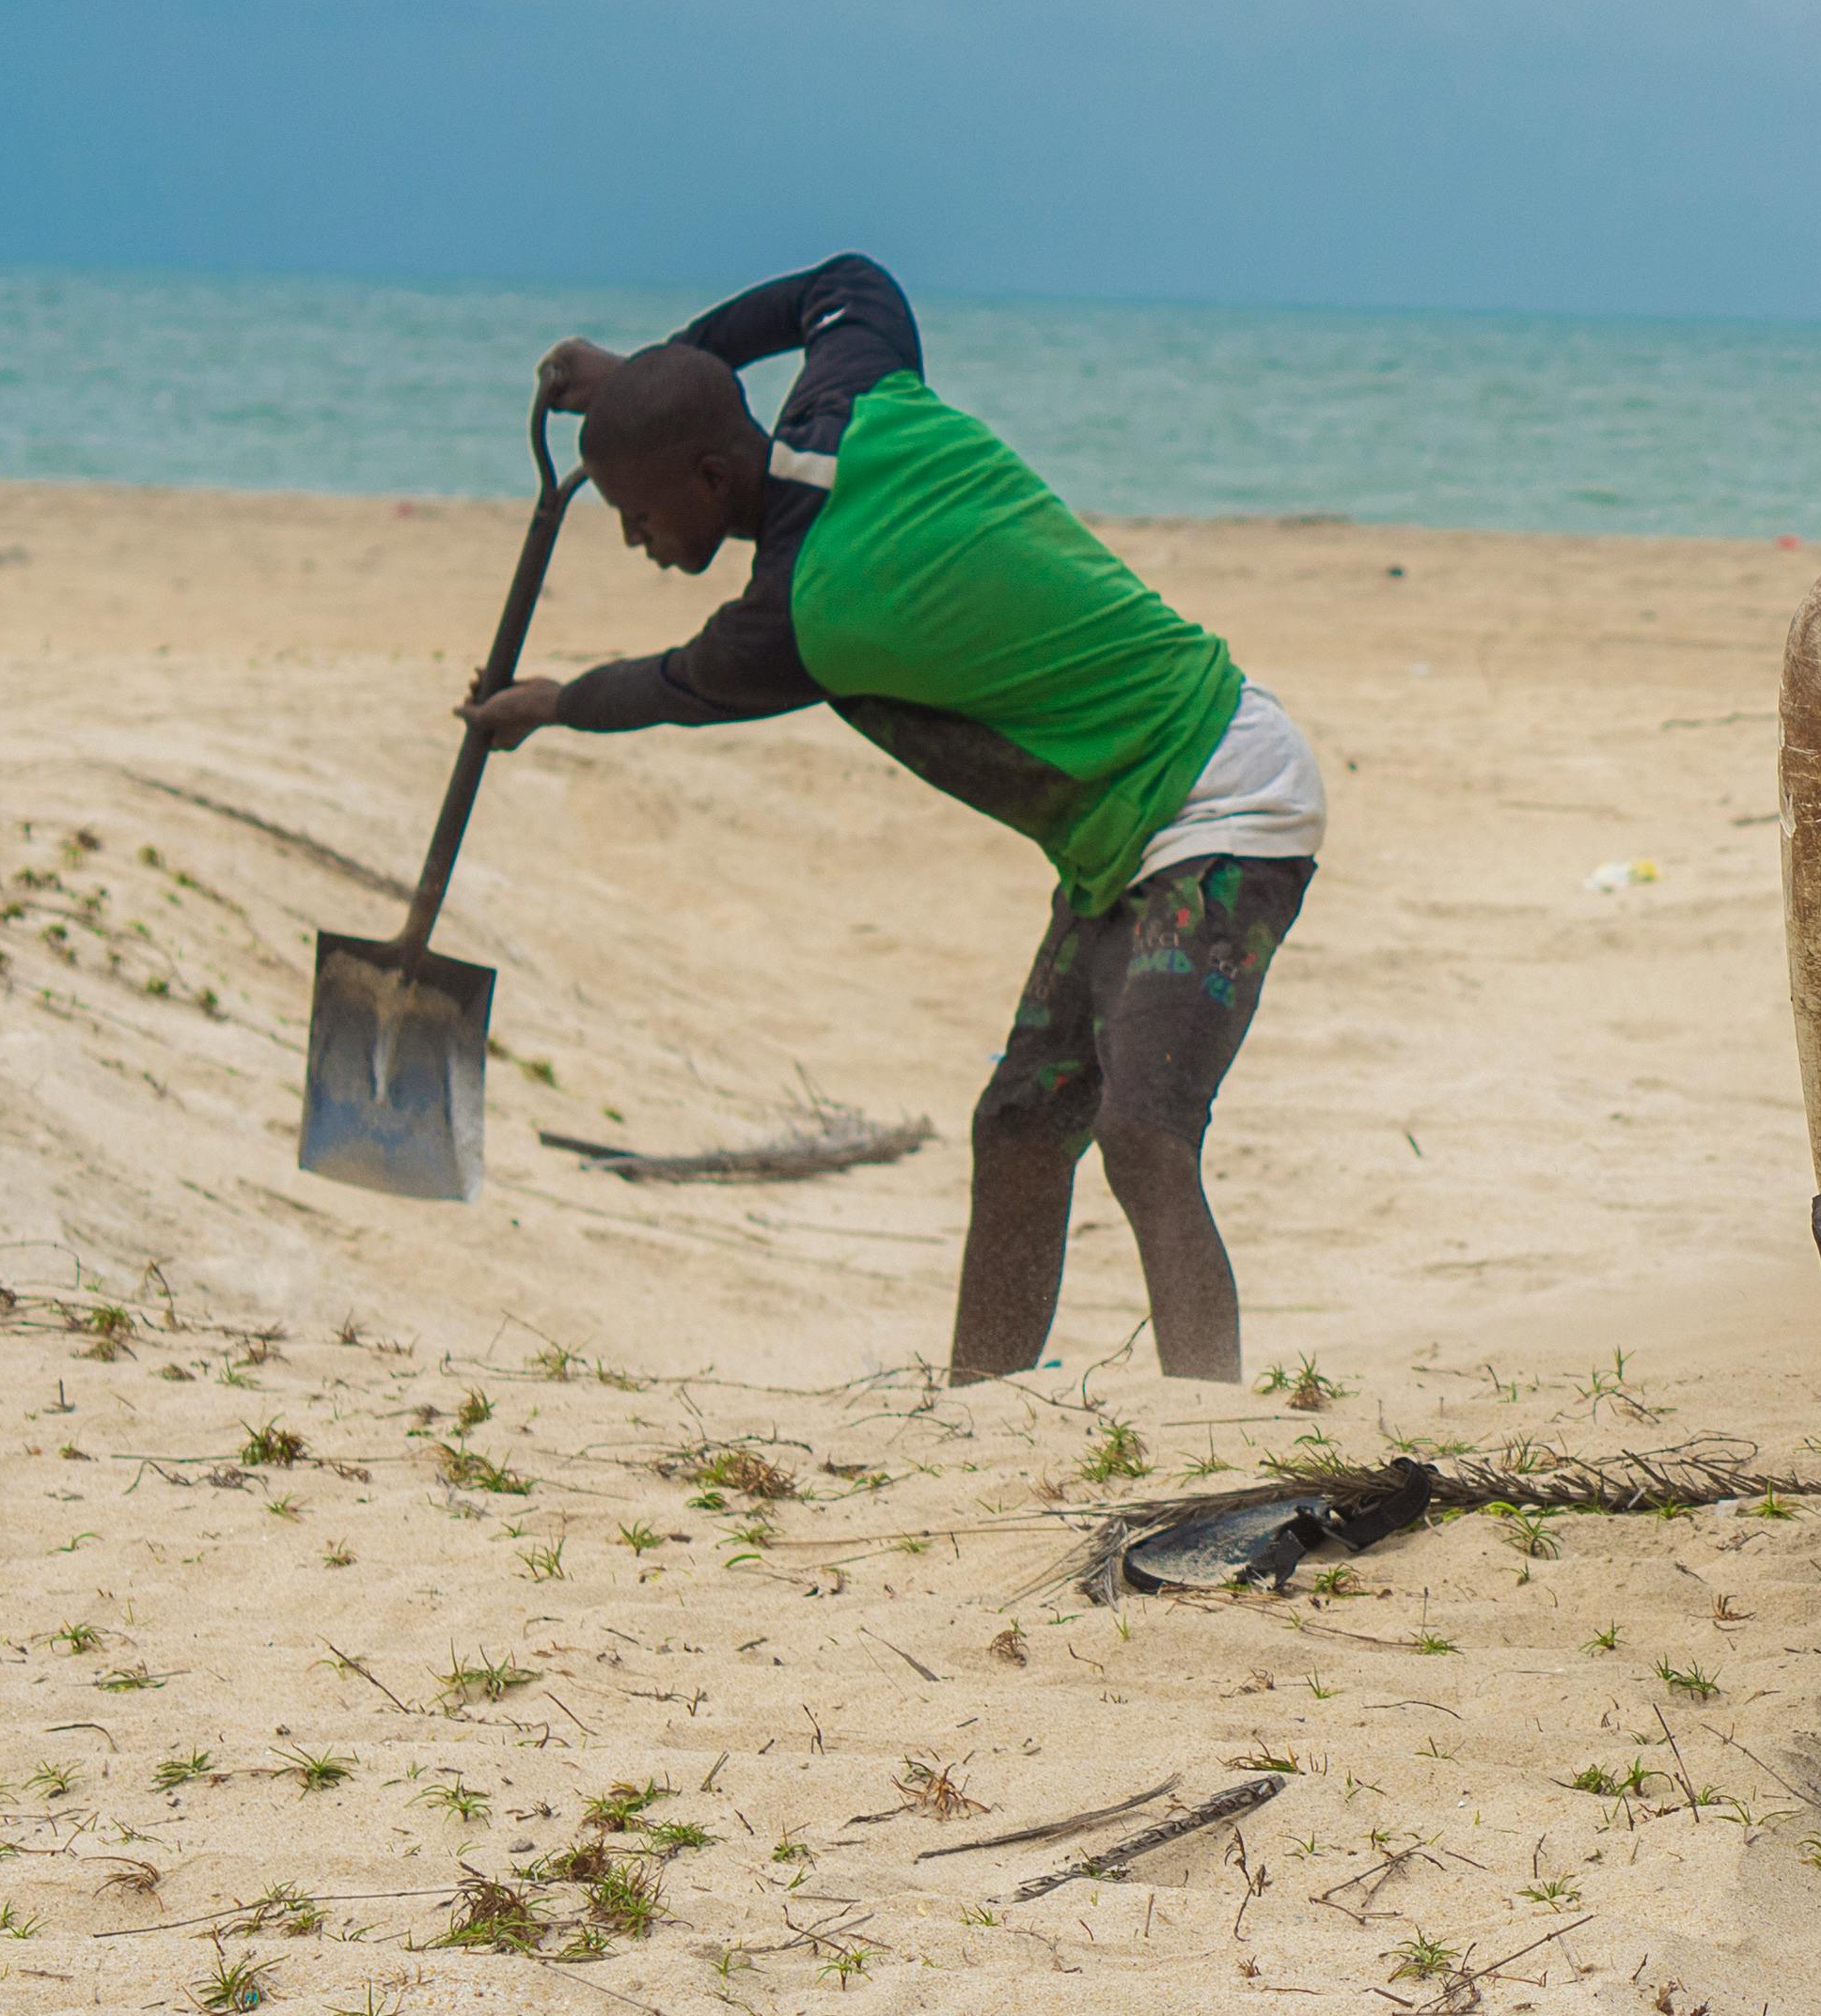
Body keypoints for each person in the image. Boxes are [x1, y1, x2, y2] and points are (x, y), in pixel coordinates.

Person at [462, 256, 1322, 1385]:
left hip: (1224, 796)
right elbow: (845, 281)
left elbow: (671, 686)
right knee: (1020, 1119)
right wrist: (649, 373)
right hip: (1122, 833)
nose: (634, 539)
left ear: (715, 474)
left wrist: (548, 704)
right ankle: (977, 1412)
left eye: (638, 513)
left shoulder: (800, 618)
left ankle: (1211, 1429)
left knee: (1144, 1130)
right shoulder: (859, 396)